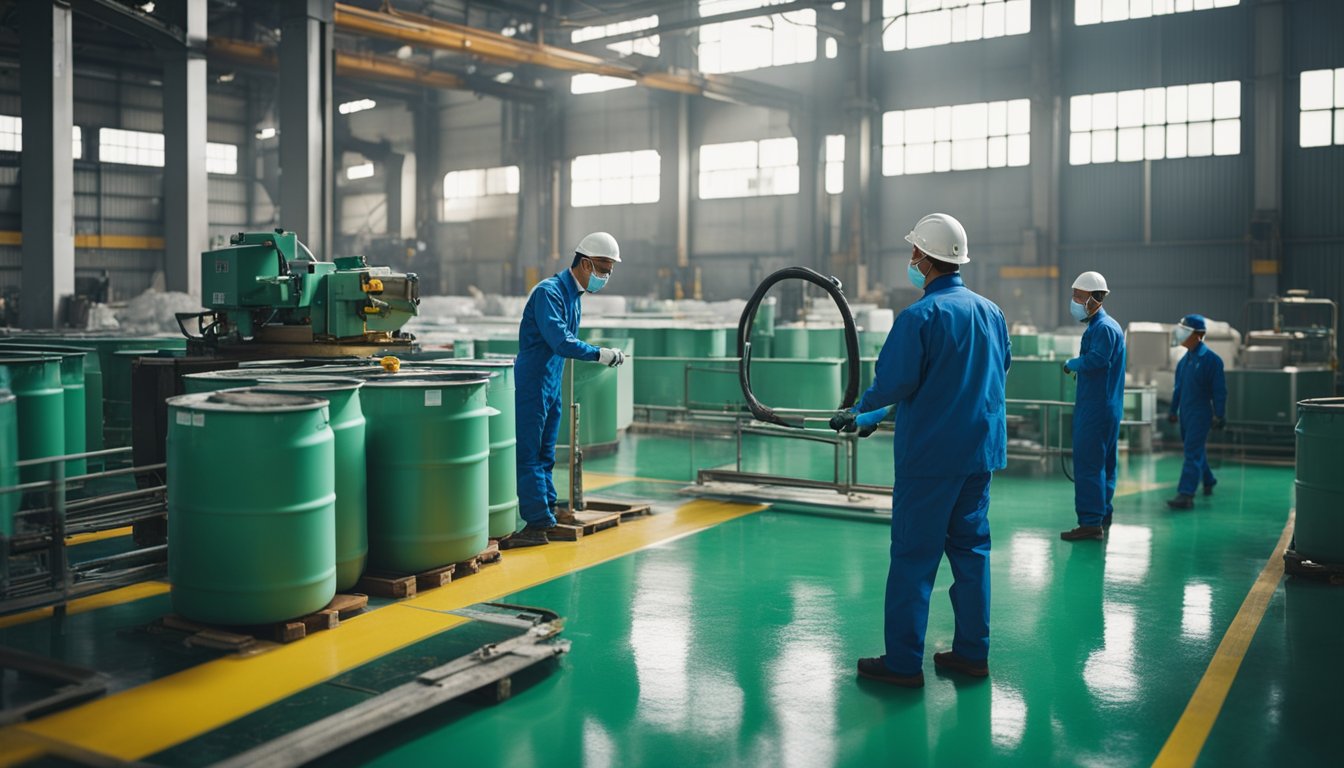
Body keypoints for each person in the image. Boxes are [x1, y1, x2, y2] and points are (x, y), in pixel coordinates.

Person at [842, 212, 1011, 688]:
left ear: (923, 257)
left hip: (931, 460)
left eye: (914, 252)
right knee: (972, 553)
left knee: (914, 558)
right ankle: (972, 654)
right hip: (978, 456)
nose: (911, 259)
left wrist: (862, 410)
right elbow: (997, 370)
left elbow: (895, 382)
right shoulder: (991, 312)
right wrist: (879, 413)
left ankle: (902, 664)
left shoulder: (920, 317)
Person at [507, 232, 626, 548]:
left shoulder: (573, 296)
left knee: (545, 453)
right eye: (603, 269)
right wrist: (600, 354)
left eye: (610, 270)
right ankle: (536, 522)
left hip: (551, 382)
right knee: (529, 453)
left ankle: (547, 513)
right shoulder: (549, 293)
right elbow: (561, 341)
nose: (606, 277)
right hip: (533, 382)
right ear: (585, 264)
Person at [1060, 271, 1126, 541]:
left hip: (1096, 408)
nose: (1074, 301)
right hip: (1106, 406)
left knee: (1088, 465)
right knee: (1105, 464)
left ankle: (1089, 522)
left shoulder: (1103, 328)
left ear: (1094, 299)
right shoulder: (1105, 326)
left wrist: (1072, 364)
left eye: (1079, 296)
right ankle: (1102, 513)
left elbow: (1098, 359)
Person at [1166, 314, 1227, 510]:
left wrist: (1219, 414)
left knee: (1191, 452)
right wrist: (1173, 410)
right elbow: (1178, 389)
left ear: (1198, 334)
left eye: (1185, 331)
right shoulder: (1184, 361)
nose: (1180, 334)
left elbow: (1219, 390)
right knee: (1195, 449)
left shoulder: (1211, 361)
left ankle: (1186, 495)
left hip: (1200, 414)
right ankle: (1208, 479)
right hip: (1185, 413)